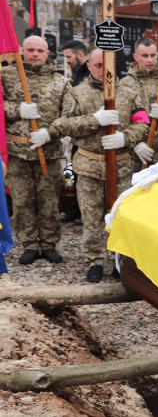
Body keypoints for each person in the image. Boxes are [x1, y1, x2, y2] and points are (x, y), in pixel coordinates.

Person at [36, 49, 148, 281]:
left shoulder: (129, 92)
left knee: (120, 217)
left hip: (121, 166)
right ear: (88, 66)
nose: (102, 70)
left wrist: (125, 138)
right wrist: (94, 120)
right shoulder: (77, 93)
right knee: (90, 217)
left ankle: (120, 260)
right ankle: (94, 260)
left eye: (106, 66)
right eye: (97, 65)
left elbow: (142, 123)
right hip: (89, 166)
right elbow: (63, 125)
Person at [2, 36, 75, 264]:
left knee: (49, 201)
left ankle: (49, 243)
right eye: (30, 50)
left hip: (49, 152)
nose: (35, 54)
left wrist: (49, 133)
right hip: (17, 153)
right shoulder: (7, 76)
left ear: (47, 53)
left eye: (39, 51)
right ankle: (30, 244)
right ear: (22, 51)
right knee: (23, 202)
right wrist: (17, 110)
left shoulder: (60, 82)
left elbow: (69, 115)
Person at [117, 38, 158, 169]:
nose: (150, 60)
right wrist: (135, 145)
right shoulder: (125, 84)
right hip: (136, 155)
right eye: (144, 56)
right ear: (135, 56)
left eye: (153, 55)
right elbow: (121, 121)